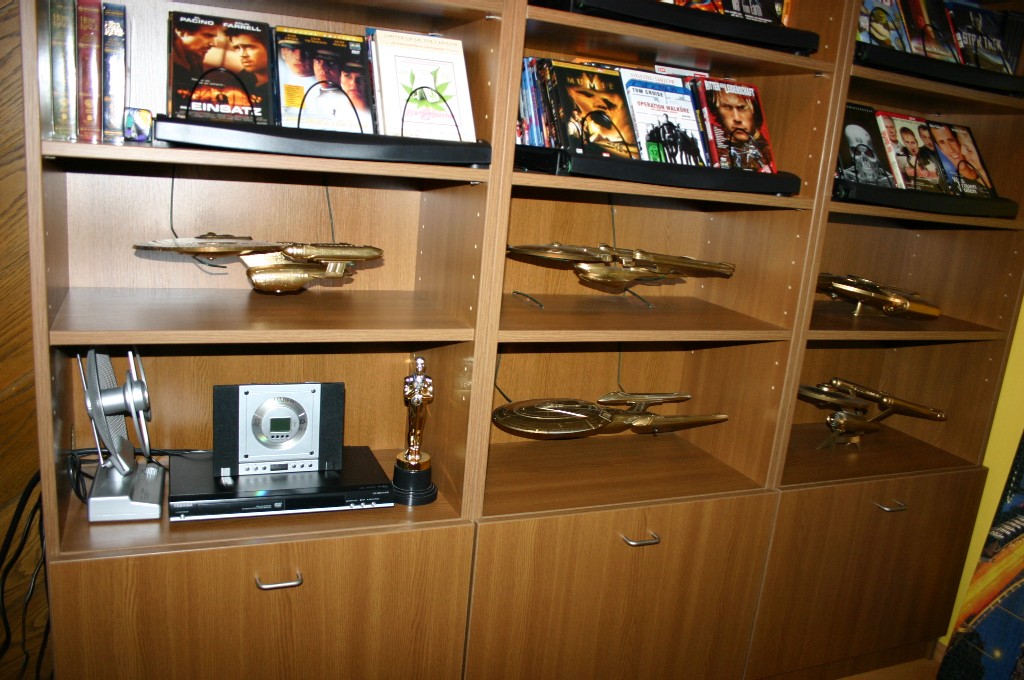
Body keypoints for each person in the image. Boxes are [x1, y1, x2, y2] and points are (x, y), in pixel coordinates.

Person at [709, 87, 773, 171]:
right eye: (727, 107)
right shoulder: (712, 149)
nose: (737, 118)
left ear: (754, 110)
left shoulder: (766, 153)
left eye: (742, 108)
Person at [224, 28, 271, 116]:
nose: (242, 55)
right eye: (237, 48)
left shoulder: (278, 84)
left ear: (269, 48)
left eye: (249, 47)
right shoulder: (241, 78)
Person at [896, 126, 943, 192]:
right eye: (907, 142)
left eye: (913, 142)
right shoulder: (901, 157)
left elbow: (938, 179)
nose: (911, 146)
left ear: (917, 141)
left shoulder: (929, 155)